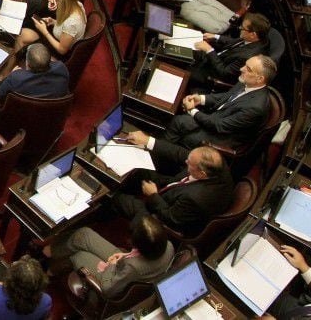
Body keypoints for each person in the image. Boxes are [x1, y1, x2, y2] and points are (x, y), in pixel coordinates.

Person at [125, 56, 276, 172]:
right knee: (179, 121)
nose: (242, 69)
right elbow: (225, 97)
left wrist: (192, 111)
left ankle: (157, 161)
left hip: (221, 137)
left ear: (260, 79)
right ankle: (158, 155)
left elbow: (219, 126)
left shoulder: (255, 108)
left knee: (189, 136)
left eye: (248, 68)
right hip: (216, 119)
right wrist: (201, 99)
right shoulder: (247, 82)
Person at [108, 147, 234, 237]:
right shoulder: (218, 163)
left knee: (121, 199)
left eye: (189, 163)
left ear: (202, 174)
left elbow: (170, 218)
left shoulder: (195, 199)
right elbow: (175, 181)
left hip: (164, 215)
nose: (186, 162)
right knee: (141, 170)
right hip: (175, 188)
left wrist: (153, 195)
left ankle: (108, 202)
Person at [55, 215, 175, 299]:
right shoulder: (169, 246)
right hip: (126, 265)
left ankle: (51, 265)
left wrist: (111, 265)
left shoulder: (132, 267)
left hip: (114, 276)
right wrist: (125, 255)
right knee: (84, 234)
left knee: (79, 255)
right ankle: (52, 252)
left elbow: (108, 290)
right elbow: (140, 255)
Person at [187, 12, 271, 90]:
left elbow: (224, 73)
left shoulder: (248, 57)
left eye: (242, 28)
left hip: (210, 73)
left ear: (253, 35)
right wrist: (215, 36)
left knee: (181, 63)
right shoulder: (257, 39)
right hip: (214, 59)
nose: (240, 29)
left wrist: (209, 50)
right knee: (185, 49)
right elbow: (234, 41)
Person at [15, 0, 85, 59]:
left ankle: (19, 63)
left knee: (23, 41)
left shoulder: (71, 23)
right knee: (23, 32)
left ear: (62, 2)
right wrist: (53, 22)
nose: (53, 1)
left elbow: (62, 50)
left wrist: (44, 32)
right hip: (56, 36)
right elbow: (64, 27)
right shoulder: (78, 4)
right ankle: (18, 58)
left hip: (57, 50)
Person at [0, 43, 69, 102]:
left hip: (22, 115)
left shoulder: (16, 77)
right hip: (53, 113)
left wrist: (10, 75)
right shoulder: (61, 67)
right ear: (50, 60)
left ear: (27, 64)